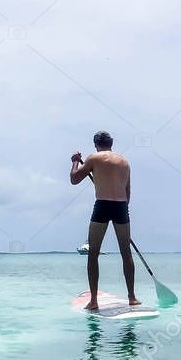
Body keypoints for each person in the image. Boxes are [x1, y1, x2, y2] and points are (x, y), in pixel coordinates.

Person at [70, 131, 139, 310]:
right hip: (122, 206)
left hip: (102, 205)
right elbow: (127, 190)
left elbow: (74, 179)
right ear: (112, 143)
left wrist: (75, 161)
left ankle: (94, 300)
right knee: (126, 253)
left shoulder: (93, 158)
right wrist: (122, 211)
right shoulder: (124, 162)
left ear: (95, 145)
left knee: (93, 253)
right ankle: (132, 297)